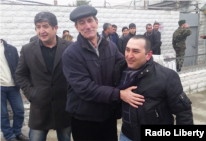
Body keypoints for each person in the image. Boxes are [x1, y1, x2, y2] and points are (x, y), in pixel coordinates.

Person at [63, 5, 144, 141]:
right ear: (76, 28)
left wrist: (147, 65)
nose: (87, 26)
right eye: (81, 23)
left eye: (90, 21)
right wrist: (119, 94)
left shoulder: (110, 46)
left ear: (97, 22)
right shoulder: (71, 54)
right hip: (85, 117)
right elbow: (85, 89)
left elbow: (125, 64)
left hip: (108, 114)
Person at [113, 35, 193, 141]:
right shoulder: (120, 70)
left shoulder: (166, 76)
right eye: (127, 50)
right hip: (126, 135)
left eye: (135, 51)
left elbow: (183, 111)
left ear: (148, 55)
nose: (129, 55)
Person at [15, 12, 72, 141]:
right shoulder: (27, 49)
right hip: (39, 108)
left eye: (45, 26)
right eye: (38, 27)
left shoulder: (69, 47)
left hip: (64, 107)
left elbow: (77, 73)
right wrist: (31, 93)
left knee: (65, 138)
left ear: (55, 28)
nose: (41, 31)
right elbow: (20, 74)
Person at [0, 39, 29, 141]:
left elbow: (18, 67)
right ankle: (9, 136)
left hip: (13, 86)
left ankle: (17, 133)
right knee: (2, 114)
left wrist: (20, 82)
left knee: (19, 110)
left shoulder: (11, 49)